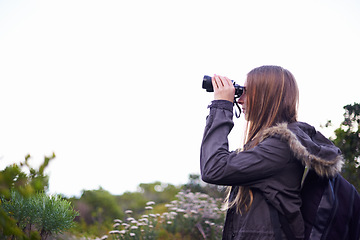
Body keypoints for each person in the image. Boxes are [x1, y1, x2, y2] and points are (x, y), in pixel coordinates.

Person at [200, 65, 343, 240]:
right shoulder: (267, 145)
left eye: (246, 92)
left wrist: (221, 106)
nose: (239, 100)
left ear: (265, 97)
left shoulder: (280, 147)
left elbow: (214, 168)